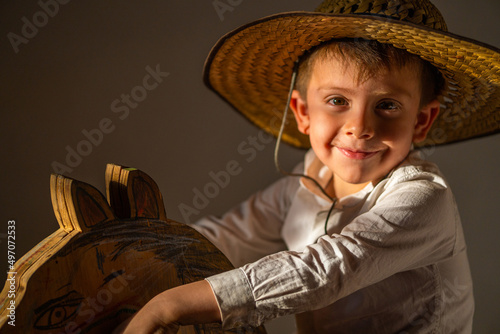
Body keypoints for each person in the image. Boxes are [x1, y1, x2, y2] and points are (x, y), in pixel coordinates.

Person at [115, 0, 500, 333]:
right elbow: (221, 238)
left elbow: (324, 269)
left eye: (387, 106)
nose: (360, 128)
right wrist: (132, 260)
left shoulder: (424, 200)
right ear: (302, 113)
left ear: (420, 121)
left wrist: (169, 305)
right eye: (337, 100)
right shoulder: (305, 185)